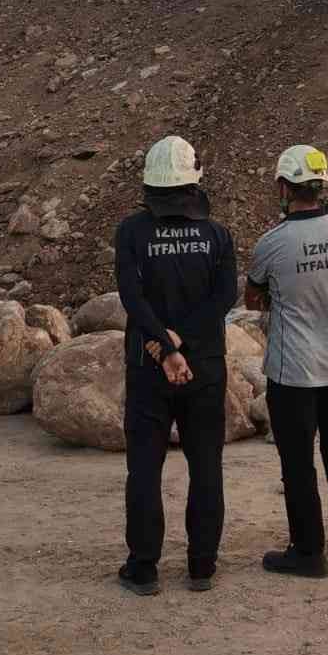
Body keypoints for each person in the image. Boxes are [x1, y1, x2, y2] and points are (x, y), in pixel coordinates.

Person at [114, 135, 237, 596]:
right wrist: (182, 341)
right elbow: (224, 297)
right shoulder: (217, 235)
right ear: (193, 182)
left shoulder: (131, 232)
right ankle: (202, 566)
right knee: (206, 466)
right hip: (204, 365)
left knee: (145, 468)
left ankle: (144, 567)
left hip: (148, 365)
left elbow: (132, 297)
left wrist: (164, 346)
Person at [244, 145, 328, 579]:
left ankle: (308, 551)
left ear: (284, 187)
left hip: (293, 370)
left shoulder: (273, 243)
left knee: (297, 460)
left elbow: (252, 297)